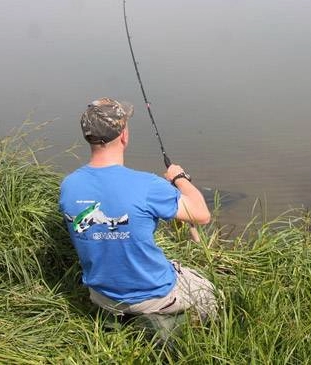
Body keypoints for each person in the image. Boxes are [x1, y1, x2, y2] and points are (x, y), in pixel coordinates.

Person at [59, 97, 217, 330]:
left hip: (102, 295)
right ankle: (172, 328)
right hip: (152, 294)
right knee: (209, 292)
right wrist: (179, 178)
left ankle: (124, 319)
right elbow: (201, 215)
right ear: (124, 135)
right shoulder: (148, 185)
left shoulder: (69, 185)